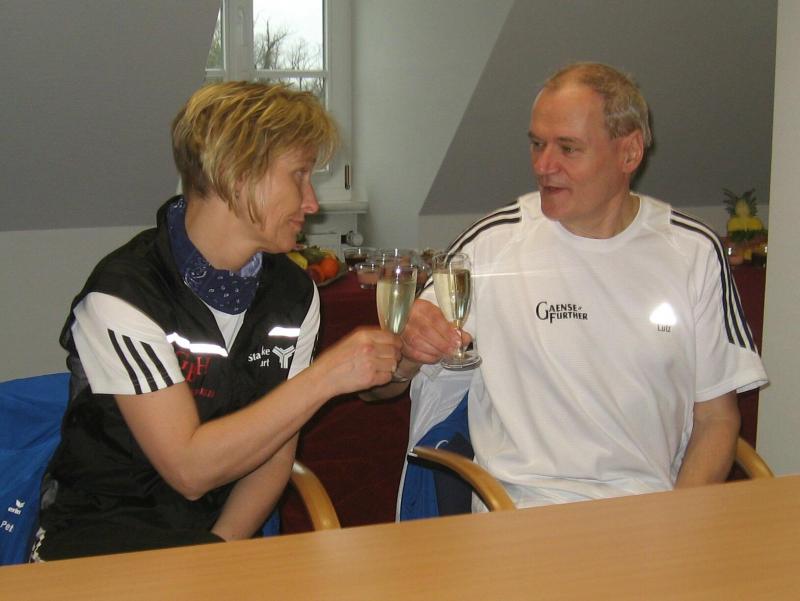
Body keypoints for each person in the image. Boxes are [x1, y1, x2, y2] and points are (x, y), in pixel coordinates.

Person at [32, 82, 401, 560]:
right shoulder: (126, 294)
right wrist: (325, 378)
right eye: (299, 175)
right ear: (236, 174)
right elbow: (189, 470)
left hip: (212, 545)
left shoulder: (293, 294)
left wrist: (216, 554)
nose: (312, 203)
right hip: (99, 546)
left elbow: (274, 454)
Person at [398, 62, 768, 510]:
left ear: (629, 153)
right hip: (517, 514)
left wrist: (679, 522)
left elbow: (716, 420)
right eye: (537, 144)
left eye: (568, 148)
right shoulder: (491, 244)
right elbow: (388, 382)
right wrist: (409, 347)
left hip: (648, 514)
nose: (543, 166)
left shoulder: (694, 252)